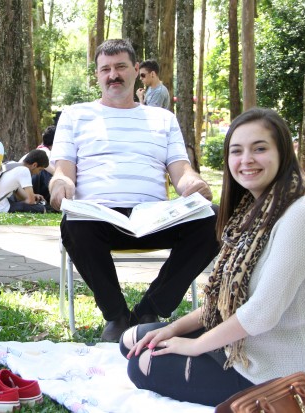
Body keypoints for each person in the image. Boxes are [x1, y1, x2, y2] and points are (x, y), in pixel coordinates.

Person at [122, 108, 305, 406]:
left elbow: (261, 312)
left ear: (283, 153)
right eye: (237, 151)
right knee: (133, 339)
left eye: (259, 148)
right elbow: (220, 302)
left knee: (139, 364)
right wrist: (173, 329)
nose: (246, 160)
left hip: (282, 369)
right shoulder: (252, 212)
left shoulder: (303, 215)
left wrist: (194, 347)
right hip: (245, 345)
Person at [49, 39, 219, 342]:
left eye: (121, 67)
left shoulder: (162, 118)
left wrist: (194, 183)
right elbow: (64, 169)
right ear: (98, 75)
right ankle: (116, 316)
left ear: (136, 70)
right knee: (74, 225)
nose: (113, 75)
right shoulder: (75, 115)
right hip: (99, 218)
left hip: (155, 218)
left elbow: (180, 170)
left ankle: (149, 311)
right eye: (106, 69)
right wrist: (61, 184)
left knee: (215, 219)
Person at [0, 149, 50, 213]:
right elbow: (31, 201)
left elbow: (19, 194)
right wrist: (31, 200)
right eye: (40, 170)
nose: (38, 173)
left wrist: (33, 195)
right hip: (1, 207)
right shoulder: (24, 171)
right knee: (41, 208)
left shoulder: (12, 164)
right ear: (34, 165)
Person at [19, 125, 57, 203]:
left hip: (23, 186)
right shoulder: (44, 152)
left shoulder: (41, 150)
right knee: (48, 173)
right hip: (23, 186)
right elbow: (48, 168)